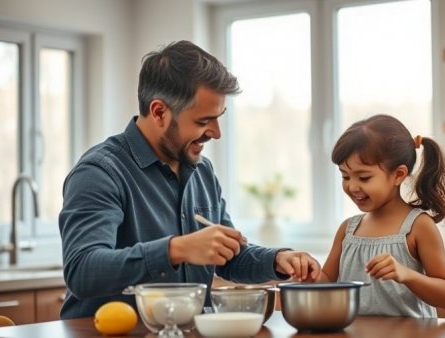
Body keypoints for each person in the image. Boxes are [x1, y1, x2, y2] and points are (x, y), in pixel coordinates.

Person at [58, 40, 321, 319]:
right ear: (159, 112)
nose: (216, 133)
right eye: (203, 121)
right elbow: (82, 270)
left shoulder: (201, 171)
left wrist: (277, 259)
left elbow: (229, 256)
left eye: (219, 118)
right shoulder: (100, 172)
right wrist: (177, 249)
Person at [317, 114, 445, 317]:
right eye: (345, 176)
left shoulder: (418, 226)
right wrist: (308, 275)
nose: (352, 186)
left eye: (364, 177)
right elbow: (326, 281)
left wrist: (407, 275)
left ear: (398, 175)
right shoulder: (348, 229)